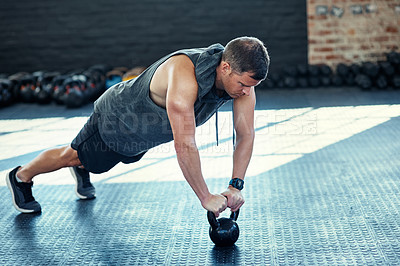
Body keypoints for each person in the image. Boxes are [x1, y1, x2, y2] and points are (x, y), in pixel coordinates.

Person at [6, 36, 270, 217]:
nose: (247, 92)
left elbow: (245, 134)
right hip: (117, 118)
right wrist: (205, 197)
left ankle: (85, 166)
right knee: (73, 155)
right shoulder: (184, 76)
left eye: (252, 87)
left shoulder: (242, 85)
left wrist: (236, 185)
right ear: (225, 68)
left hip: (144, 134)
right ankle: (20, 176)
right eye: (244, 84)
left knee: (99, 160)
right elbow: (185, 143)